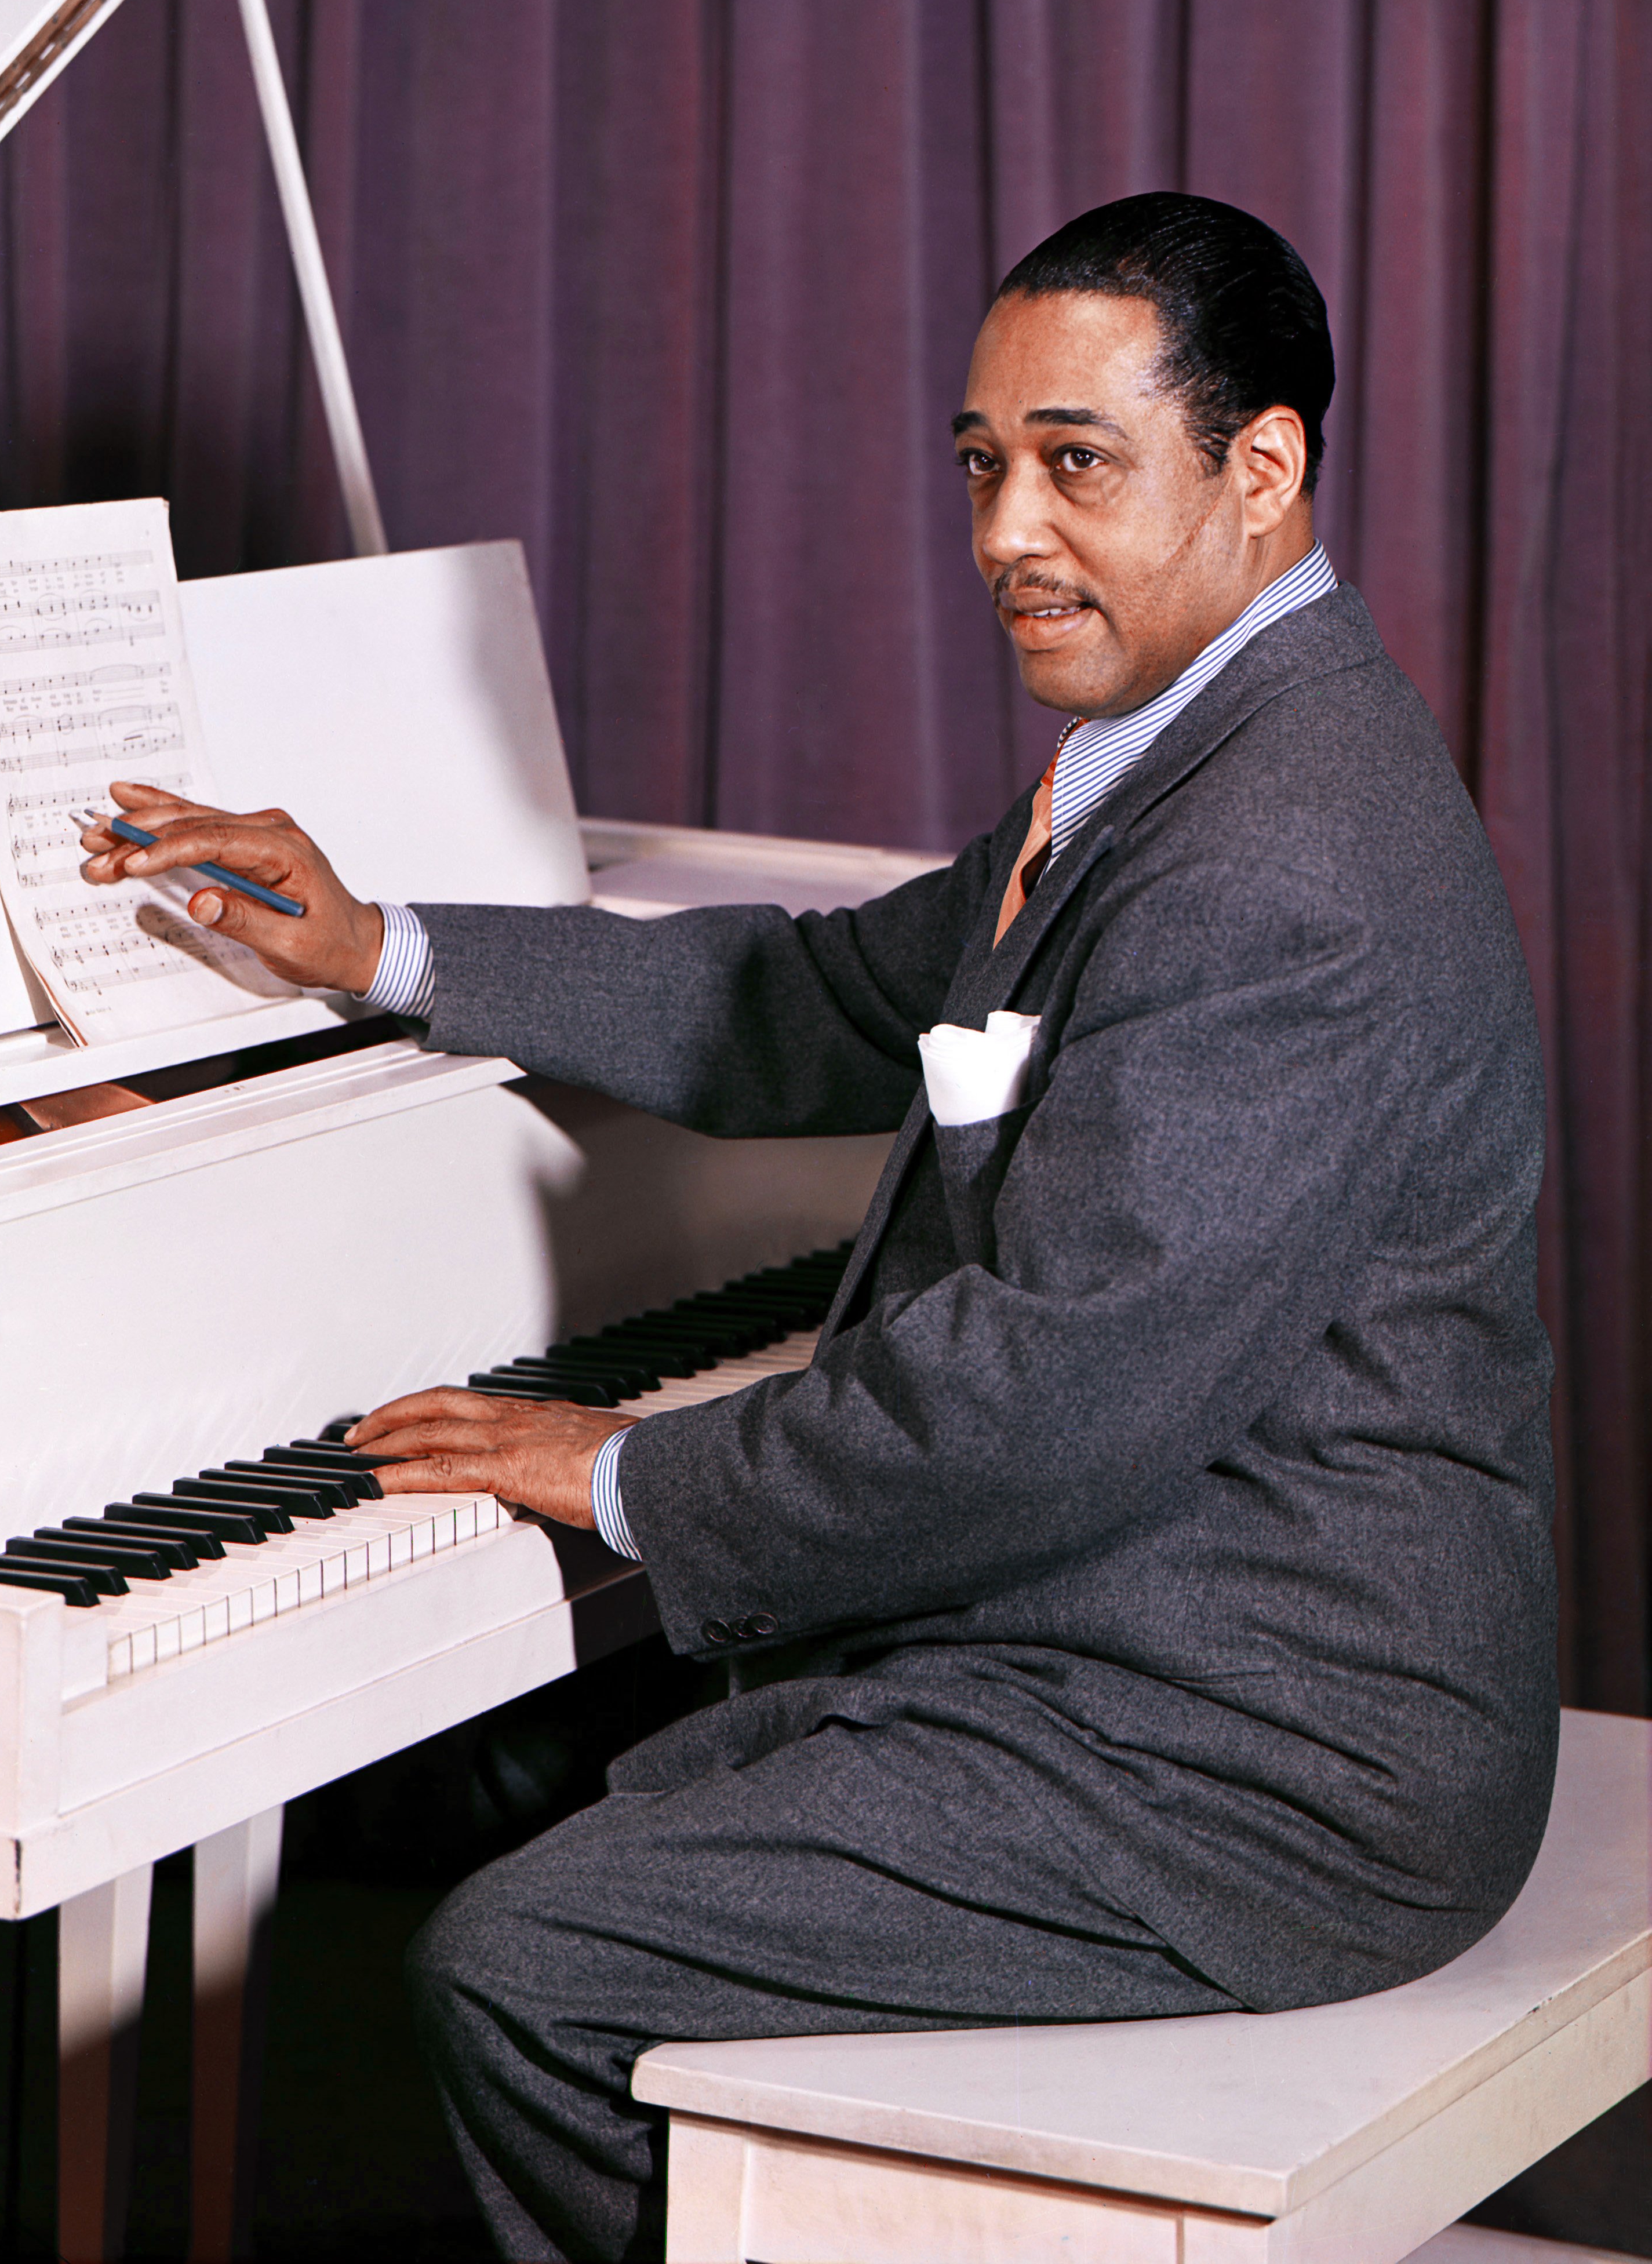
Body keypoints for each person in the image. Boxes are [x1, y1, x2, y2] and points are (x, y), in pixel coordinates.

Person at [81, 191, 1556, 2264]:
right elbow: (814, 1003)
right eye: (982, 465)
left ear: (1265, 469)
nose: (1006, 535)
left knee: (530, 1961)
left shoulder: (1283, 861)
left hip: (1264, 1746)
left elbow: (1046, 1405)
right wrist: (378, 943)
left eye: (1078, 463)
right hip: (1151, 1629)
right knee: (470, 1770)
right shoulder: (1178, 761)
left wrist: (618, 1466)